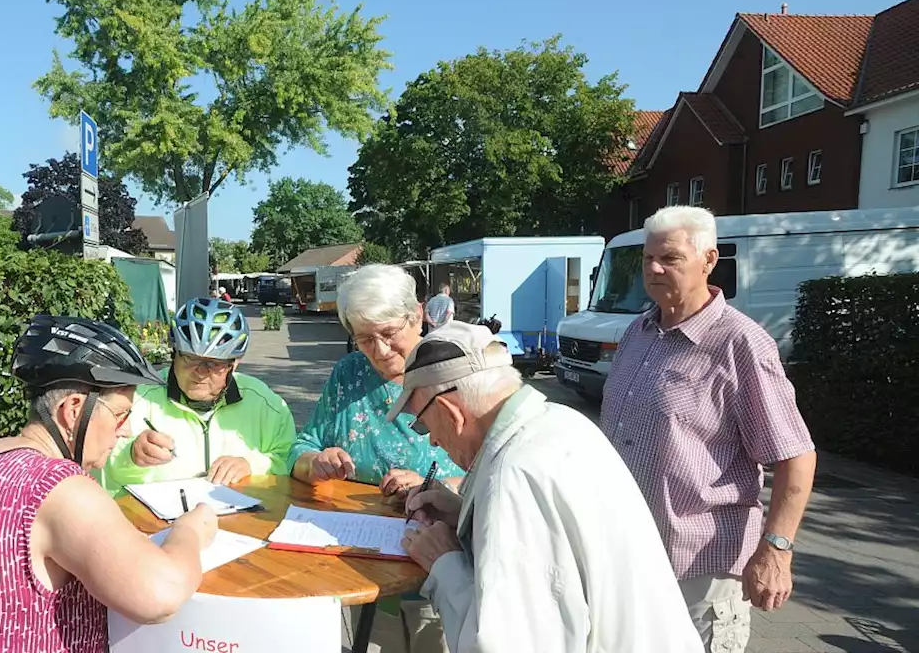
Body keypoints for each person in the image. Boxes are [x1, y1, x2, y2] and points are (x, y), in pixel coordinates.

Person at [0, 315, 218, 653]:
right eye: (121, 414)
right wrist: (191, 531)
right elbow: (159, 596)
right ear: (74, 409)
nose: (125, 430)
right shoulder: (58, 487)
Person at [394, 321, 702, 652]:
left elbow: (508, 643)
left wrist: (445, 564)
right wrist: (466, 513)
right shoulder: (559, 422)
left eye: (424, 427)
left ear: (450, 412)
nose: (436, 442)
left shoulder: (511, 477)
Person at [600, 205, 817, 652]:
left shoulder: (740, 343)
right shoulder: (639, 331)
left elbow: (796, 456)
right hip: (629, 556)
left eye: (671, 258)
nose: (655, 269)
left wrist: (776, 549)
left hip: (701, 567)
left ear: (709, 260)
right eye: (648, 258)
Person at [288, 264, 463, 653]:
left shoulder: (454, 370)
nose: (380, 352)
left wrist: (434, 487)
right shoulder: (349, 375)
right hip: (359, 563)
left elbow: (492, 472)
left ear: (417, 315)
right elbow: (300, 450)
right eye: (364, 338)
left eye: (388, 334)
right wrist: (316, 461)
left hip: (440, 569)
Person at [98, 298, 296, 493]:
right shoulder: (136, 400)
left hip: (240, 519)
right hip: (157, 521)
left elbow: (290, 460)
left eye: (214, 363)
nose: (201, 372)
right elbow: (101, 471)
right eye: (191, 359)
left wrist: (251, 465)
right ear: (174, 353)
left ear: (234, 363)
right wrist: (132, 458)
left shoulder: (266, 404)